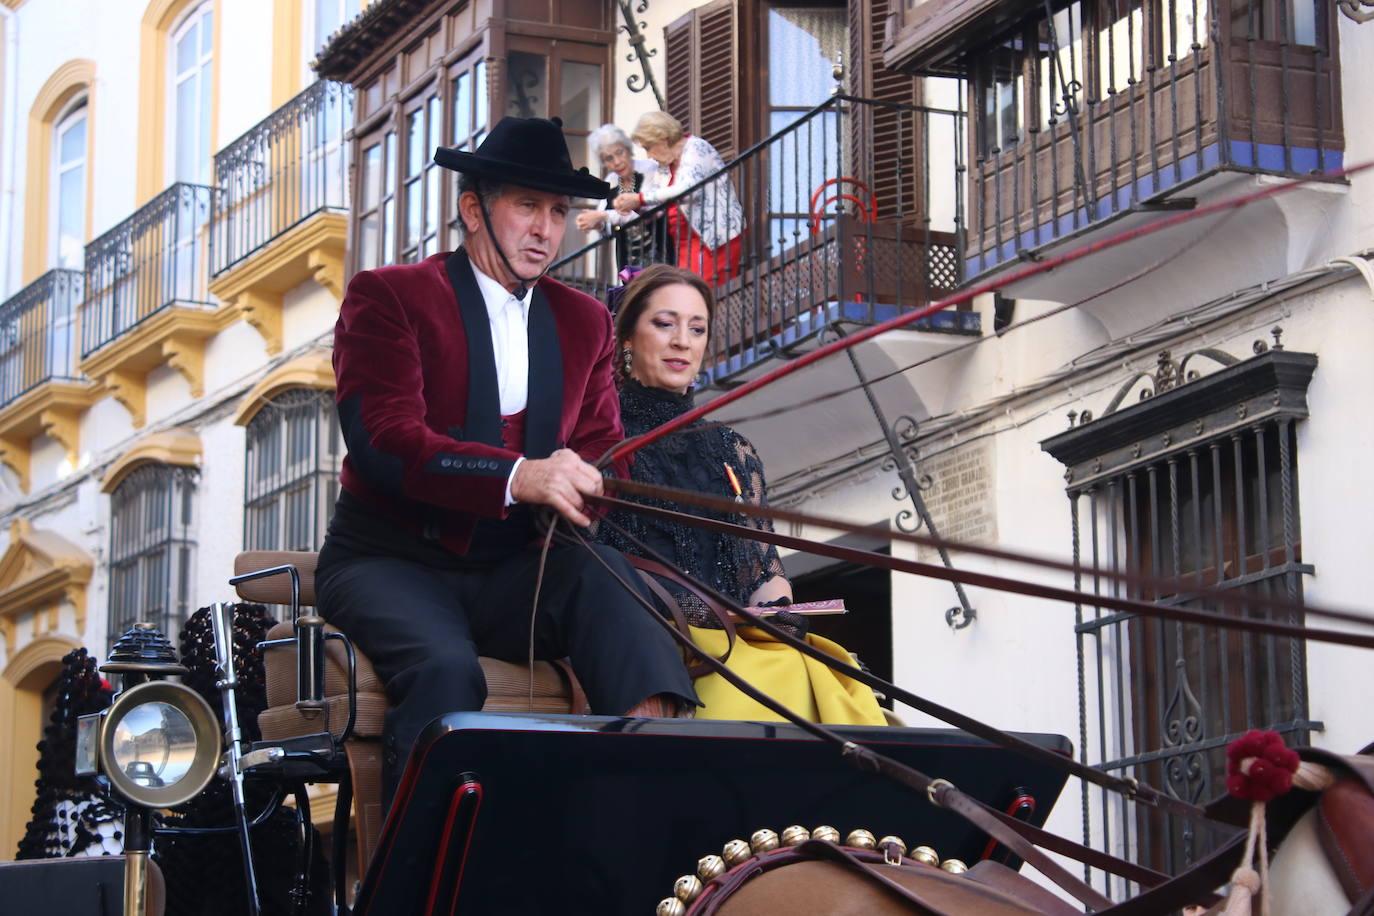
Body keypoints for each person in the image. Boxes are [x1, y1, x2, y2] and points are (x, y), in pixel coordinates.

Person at [315, 117, 698, 802]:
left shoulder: (583, 319)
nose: (546, 229)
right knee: (444, 672)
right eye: (527, 205)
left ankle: (651, 818)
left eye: (558, 211)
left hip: (514, 569)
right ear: (473, 210)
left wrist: (592, 481)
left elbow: (601, 445)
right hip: (390, 560)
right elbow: (384, 442)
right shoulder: (390, 296)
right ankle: (425, 883)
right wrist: (522, 476)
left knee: (617, 590)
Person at [596, 265, 886, 726]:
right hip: (657, 638)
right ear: (627, 339)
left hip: (744, 636)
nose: (682, 342)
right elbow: (600, 566)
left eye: (697, 329)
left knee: (821, 670)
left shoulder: (731, 448)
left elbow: (763, 568)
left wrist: (780, 611)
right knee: (767, 682)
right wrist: (694, 610)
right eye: (664, 324)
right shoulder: (600, 442)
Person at [614, 112, 745, 288]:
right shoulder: (665, 167)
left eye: (648, 147)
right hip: (683, 243)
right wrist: (636, 208)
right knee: (687, 292)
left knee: (701, 291)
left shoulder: (696, 148)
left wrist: (640, 199)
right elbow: (659, 201)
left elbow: (688, 190)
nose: (649, 155)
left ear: (661, 137)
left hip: (713, 239)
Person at [573, 123, 670, 270]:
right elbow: (608, 226)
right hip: (627, 261)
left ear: (629, 149)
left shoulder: (649, 170)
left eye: (619, 152)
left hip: (659, 254)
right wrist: (595, 224)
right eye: (609, 158)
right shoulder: (611, 181)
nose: (617, 162)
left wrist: (601, 216)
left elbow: (647, 213)